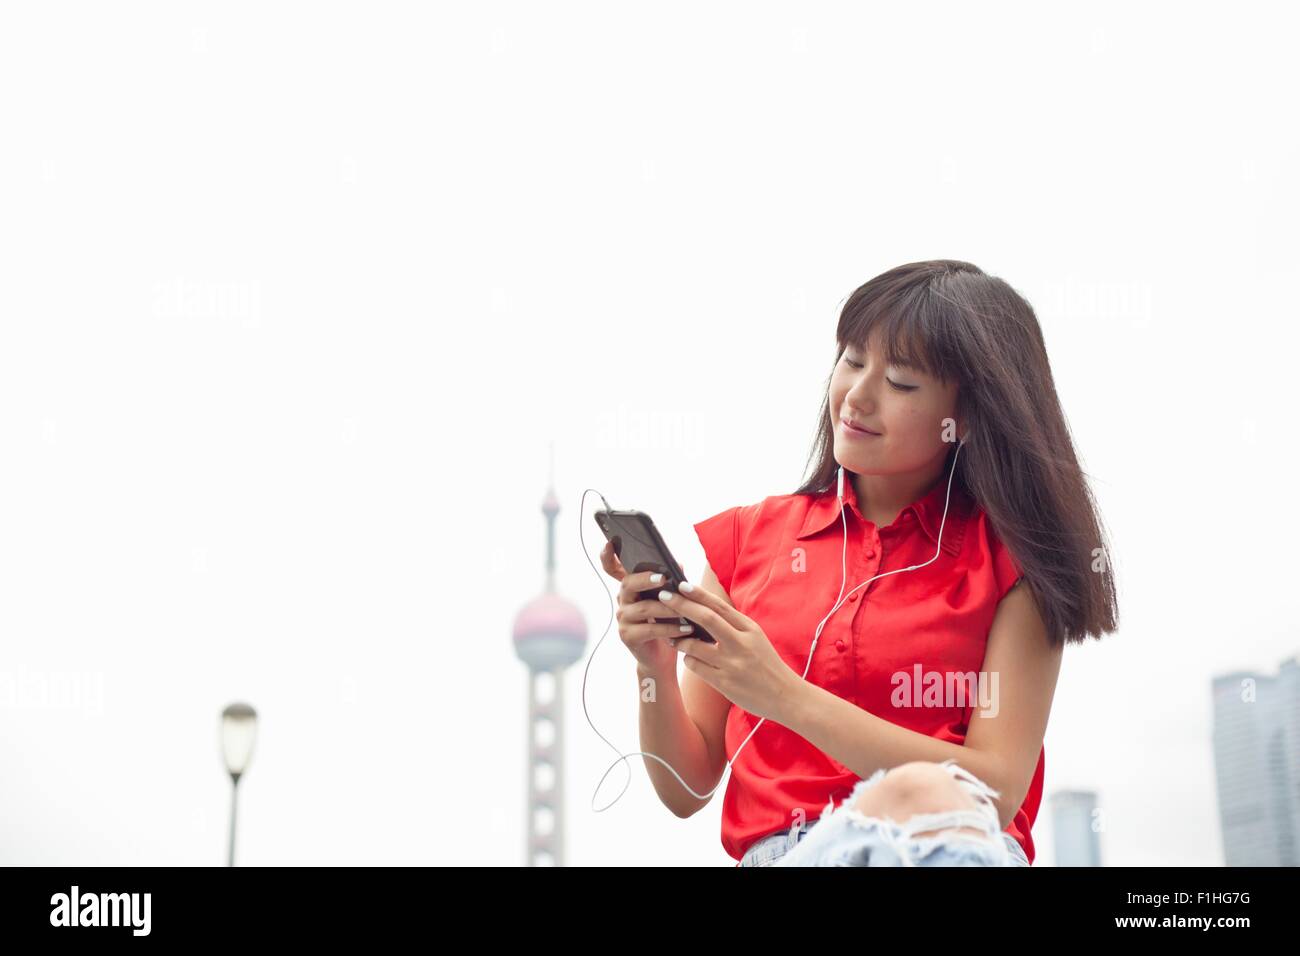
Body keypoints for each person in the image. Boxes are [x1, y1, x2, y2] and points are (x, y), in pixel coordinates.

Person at [599, 259, 1119, 866]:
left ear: (970, 415)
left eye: (900, 382)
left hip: (939, 850)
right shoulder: (749, 540)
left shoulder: (1013, 564)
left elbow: (992, 793)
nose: (857, 396)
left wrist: (784, 697)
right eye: (850, 359)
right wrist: (654, 668)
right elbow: (685, 789)